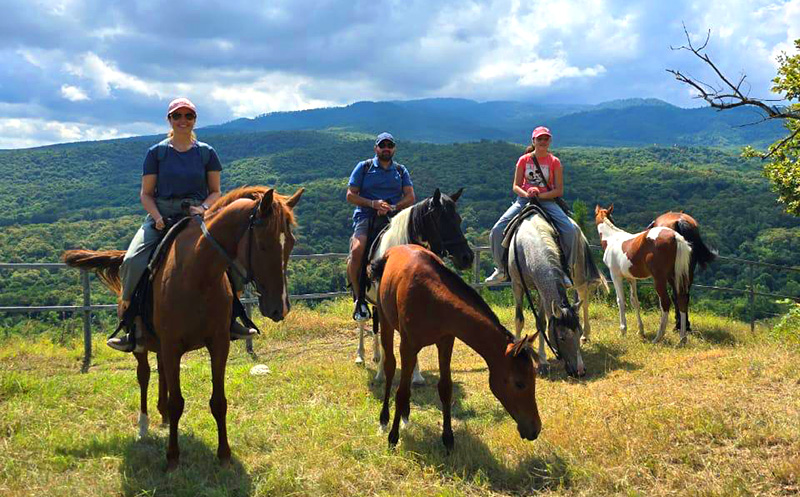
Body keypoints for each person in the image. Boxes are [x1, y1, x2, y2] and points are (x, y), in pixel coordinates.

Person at [109, 97, 256, 352]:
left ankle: (231, 318)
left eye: (188, 116)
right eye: (177, 116)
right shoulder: (157, 153)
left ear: (194, 120)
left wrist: (204, 208)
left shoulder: (206, 153)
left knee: (232, 260)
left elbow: (215, 191)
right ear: (170, 120)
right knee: (132, 260)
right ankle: (132, 324)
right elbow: (146, 194)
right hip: (162, 215)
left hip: (198, 216)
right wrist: (156, 217)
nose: (183, 120)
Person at [485, 126, 576, 283]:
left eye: (545, 139)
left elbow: (559, 190)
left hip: (547, 200)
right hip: (524, 200)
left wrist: (540, 195)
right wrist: (526, 194)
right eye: (539, 139)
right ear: (533, 141)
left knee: (570, 230)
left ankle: (566, 269)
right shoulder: (524, 160)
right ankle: (501, 269)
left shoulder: (555, 162)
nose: (542, 141)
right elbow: (516, 185)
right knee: (496, 230)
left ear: (550, 141)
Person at [346, 132, 415, 320]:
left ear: (394, 148)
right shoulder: (364, 167)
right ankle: (359, 299)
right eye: (382, 145)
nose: (386, 148)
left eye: (389, 145)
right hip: (366, 216)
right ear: (376, 148)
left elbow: (410, 197)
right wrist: (373, 204)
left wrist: (393, 207)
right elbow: (350, 195)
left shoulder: (401, 171)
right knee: (358, 250)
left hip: (394, 219)